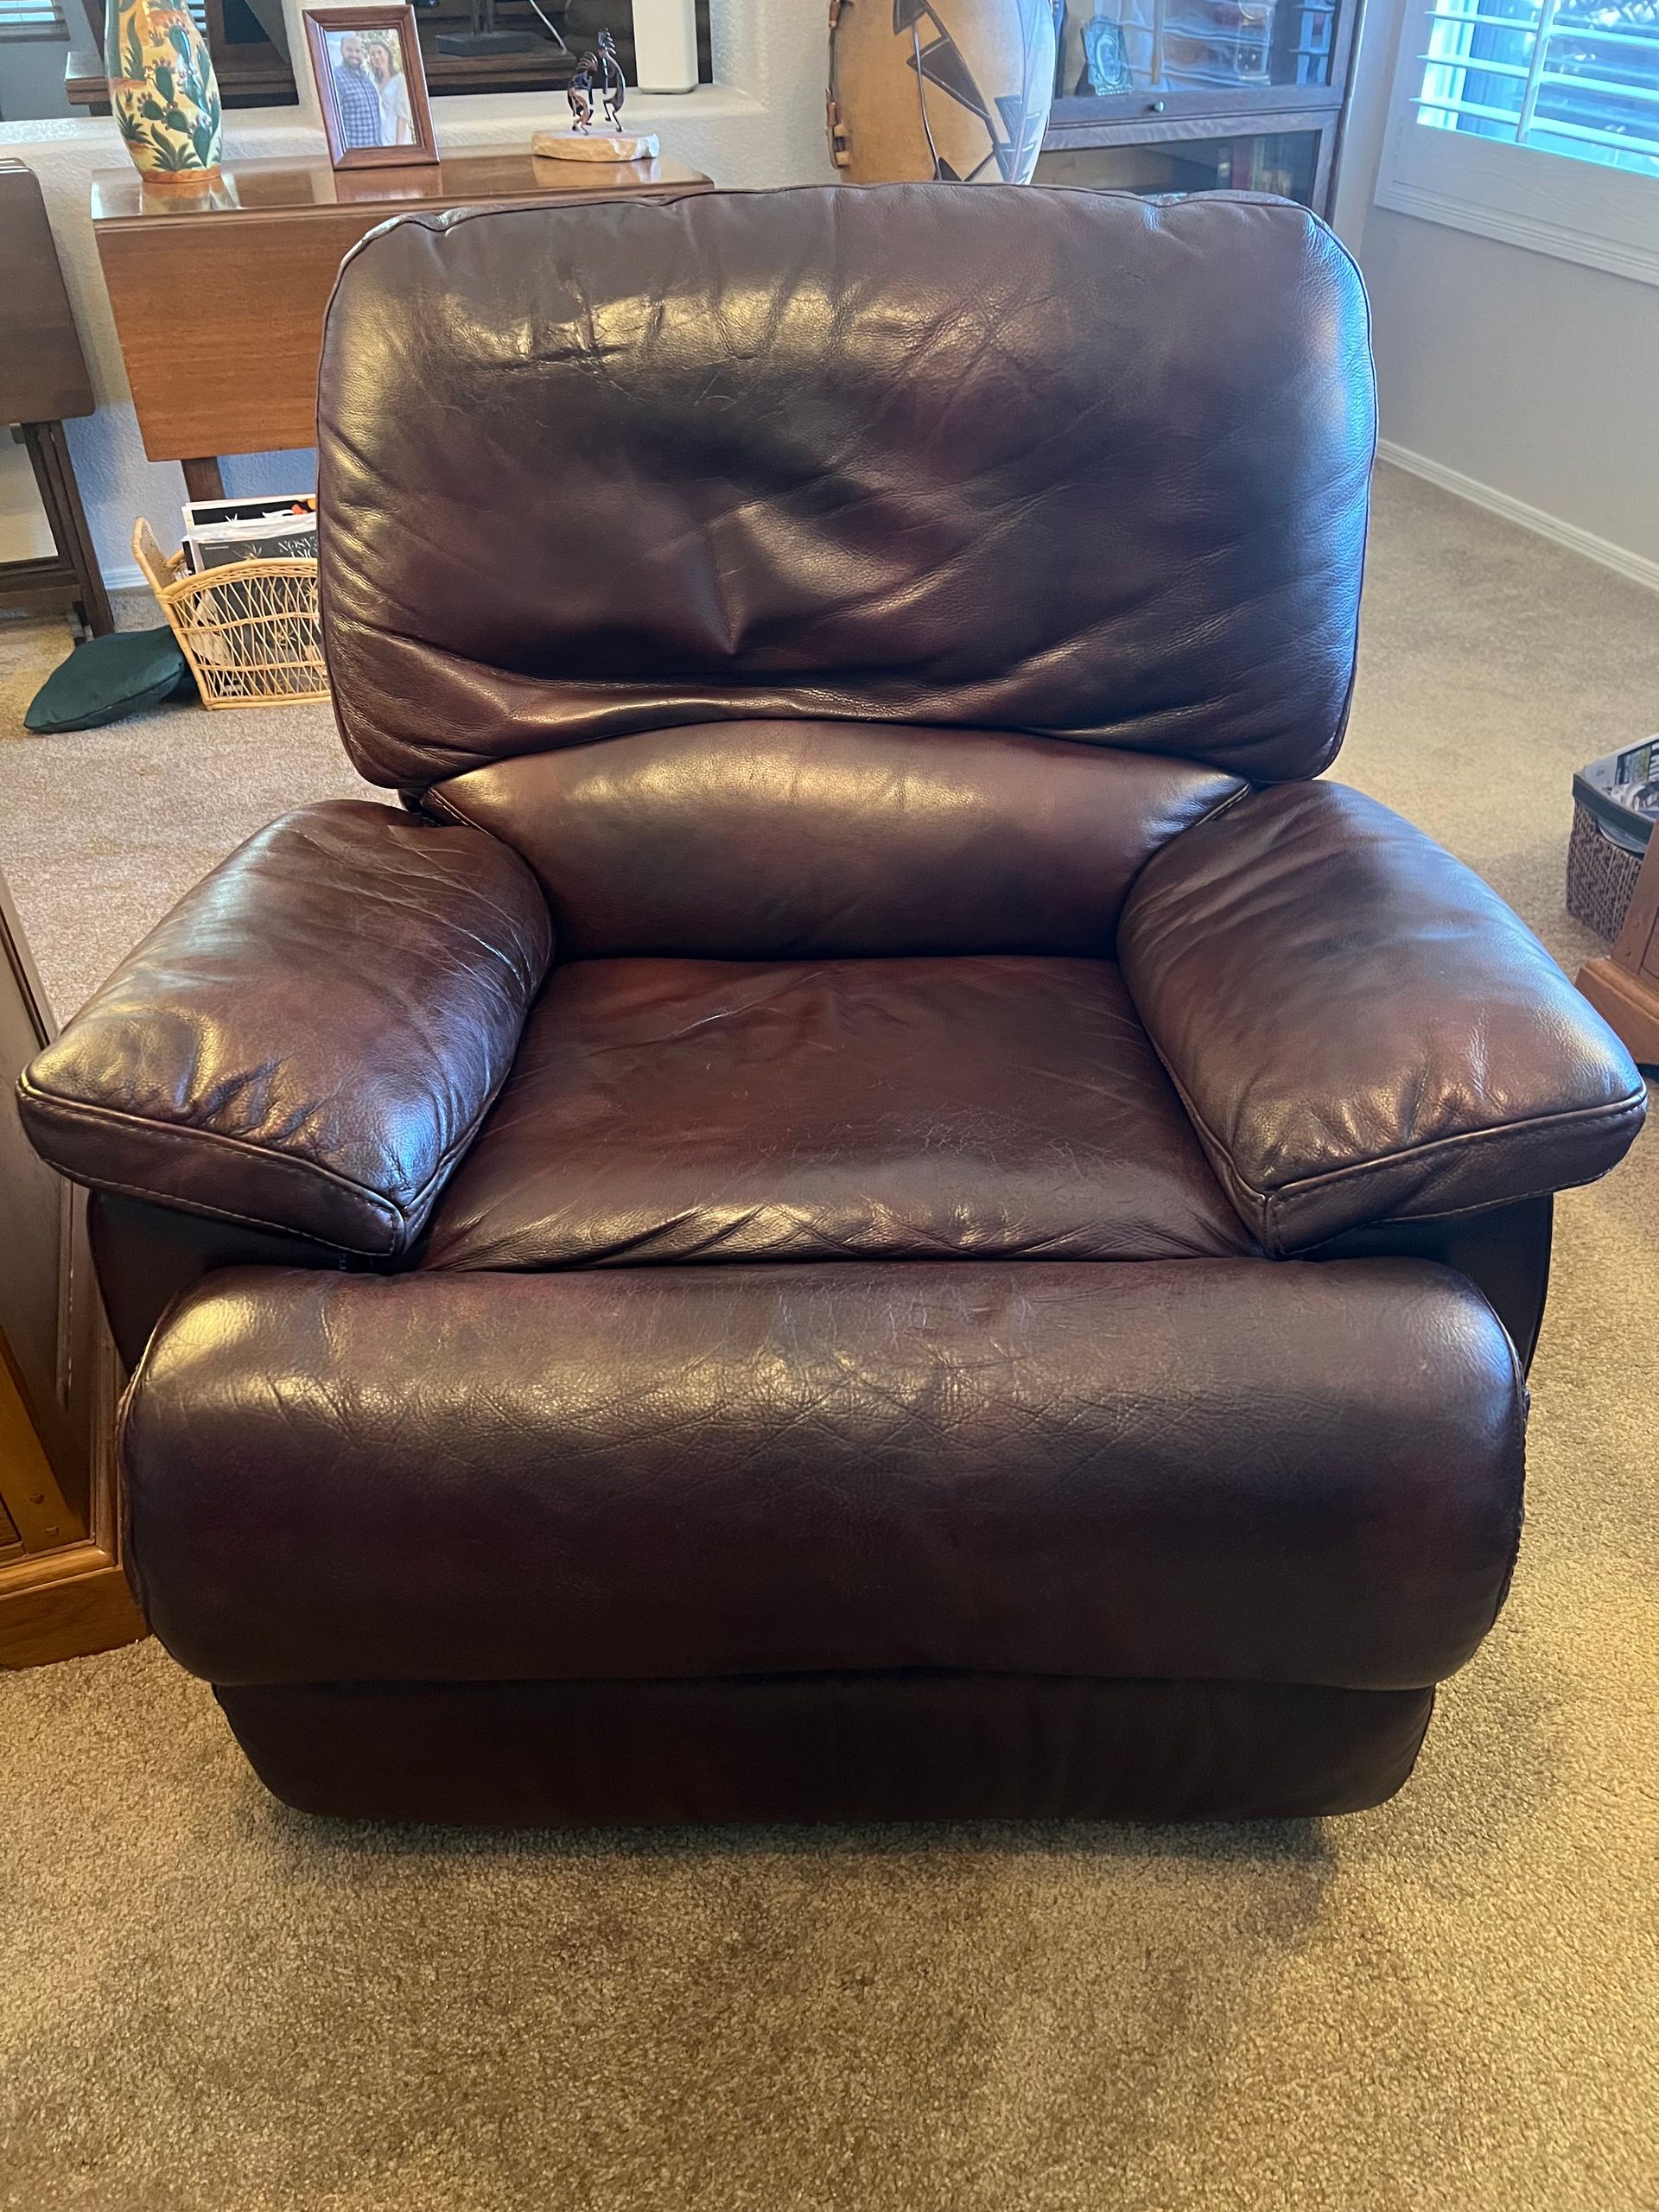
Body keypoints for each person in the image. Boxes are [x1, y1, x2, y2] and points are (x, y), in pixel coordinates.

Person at [331, 34, 383, 149]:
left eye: (358, 51)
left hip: (376, 149)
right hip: (354, 153)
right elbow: (333, 122)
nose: (354, 54)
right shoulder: (335, 78)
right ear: (341, 50)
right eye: (349, 50)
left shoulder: (366, 77)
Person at [365, 37, 413, 147]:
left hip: (398, 136)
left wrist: (398, 145)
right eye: (372, 54)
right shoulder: (372, 80)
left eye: (379, 52)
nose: (376, 56)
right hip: (379, 136)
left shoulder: (400, 80)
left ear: (387, 54)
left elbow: (402, 114)